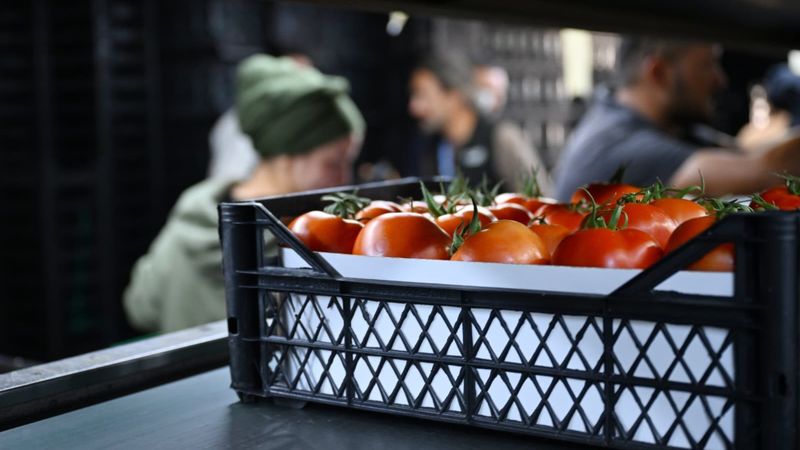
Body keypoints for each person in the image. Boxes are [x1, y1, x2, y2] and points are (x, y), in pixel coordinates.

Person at [124, 55, 365, 333]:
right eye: (334, 163)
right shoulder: (300, 246)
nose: (345, 178)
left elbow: (140, 306)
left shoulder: (191, 216)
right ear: (287, 156)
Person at [552, 38, 800, 201]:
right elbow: (762, 172)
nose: (720, 80)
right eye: (707, 65)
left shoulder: (662, 125)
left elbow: (746, 154)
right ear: (658, 72)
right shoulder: (624, 147)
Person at [408, 53, 552, 193]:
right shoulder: (431, 148)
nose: (414, 108)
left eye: (422, 95)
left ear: (453, 95)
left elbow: (541, 202)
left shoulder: (501, 138)